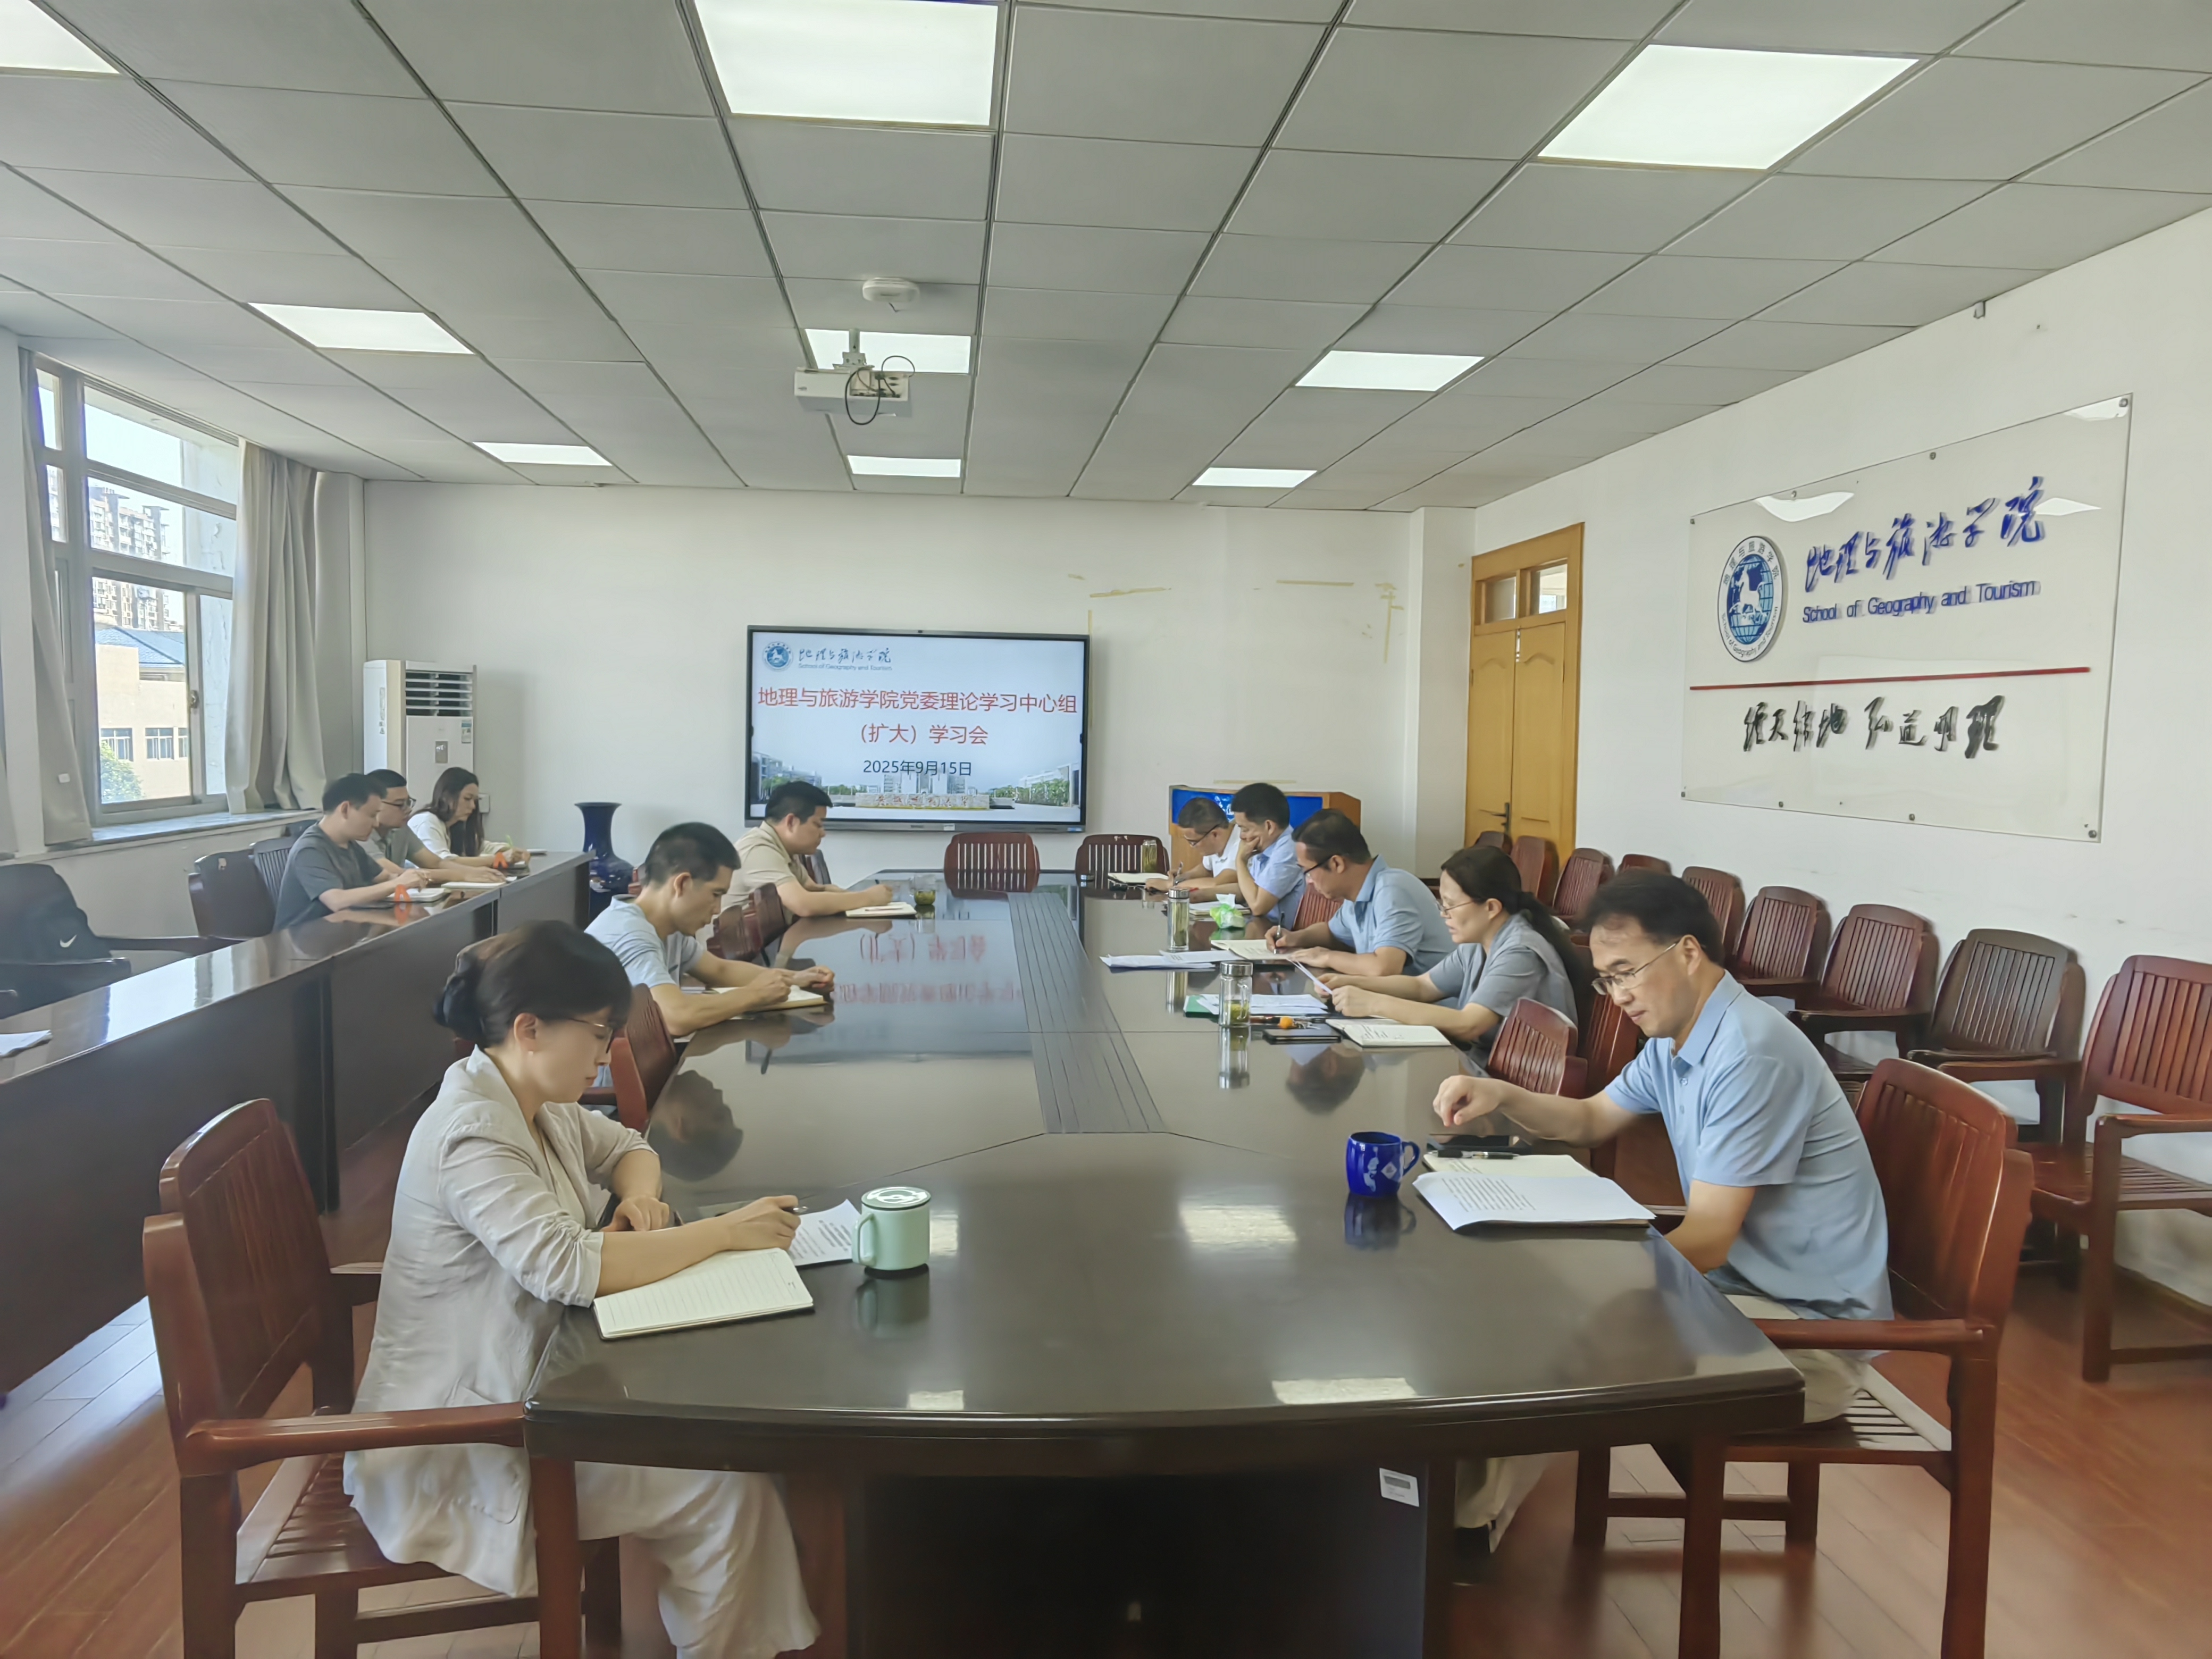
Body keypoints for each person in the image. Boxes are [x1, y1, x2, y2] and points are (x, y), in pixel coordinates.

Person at [345, 922, 817, 1659]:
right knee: (724, 1482)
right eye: (599, 1033)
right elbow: (567, 1267)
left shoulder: (534, 1098)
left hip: (546, 1387)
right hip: (463, 1439)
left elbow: (629, 1146)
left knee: (726, 1450)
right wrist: (726, 1233)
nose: (606, 1052)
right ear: (529, 1029)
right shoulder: (473, 1131)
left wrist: (641, 1201)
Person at [1432, 872, 1891, 1424]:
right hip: (1734, 1294)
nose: (1619, 995)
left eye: (1627, 972)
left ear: (1688, 953)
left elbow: (1709, 1238)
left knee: (1559, 1343)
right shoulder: (1676, 1038)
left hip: (1806, 1342)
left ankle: (1469, 1478)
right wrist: (1502, 1094)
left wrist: (1588, 1282)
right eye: (1606, 980)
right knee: (1536, 1324)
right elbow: (1590, 1119)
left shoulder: (1750, 1054)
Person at [1315, 844, 1582, 1069]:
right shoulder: (1478, 942)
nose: (1444, 914)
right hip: (1487, 1070)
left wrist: (1373, 1004)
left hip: (1524, 1082)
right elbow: (1423, 986)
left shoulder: (1520, 952)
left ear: (1491, 907)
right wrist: (1351, 983)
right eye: (1442, 904)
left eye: (1451, 905)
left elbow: (1469, 1024)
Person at [586, 823, 834, 1037]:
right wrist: (754, 995)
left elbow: (719, 970)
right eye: (715, 895)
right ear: (682, 884)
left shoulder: (667, 926)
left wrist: (793, 979)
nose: (717, 909)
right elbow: (675, 1018)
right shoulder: (630, 934)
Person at [1264, 809, 1453, 977]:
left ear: (1337, 864)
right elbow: (1332, 933)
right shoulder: (1358, 893)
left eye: (1308, 871)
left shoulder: (1392, 891)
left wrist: (1326, 957)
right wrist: (1294, 938)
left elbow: (1385, 967)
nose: (1309, 881)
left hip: (1436, 1003)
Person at [273, 773, 426, 928]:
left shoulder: (350, 845)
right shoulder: (310, 850)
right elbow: (337, 901)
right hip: (303, 937)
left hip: (342, 930)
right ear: (345, 809)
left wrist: (408, 878)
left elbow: (384, 877)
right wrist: (398, 883)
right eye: (372, 815)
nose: (376, 824)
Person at [728, 781, 895, 916]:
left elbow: (810, 889)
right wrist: (868, 898)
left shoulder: (785, 849)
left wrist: (830, 890)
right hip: (739, 947)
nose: (823, 833)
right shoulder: (759, 850)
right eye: (817, 824)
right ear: (791, 822)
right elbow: (803, 904)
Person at [363, 769, 488, 885]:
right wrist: (462, 875)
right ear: (375, 804)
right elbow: (398, 874)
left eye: (408, 802)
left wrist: (474, 873)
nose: (408, 809)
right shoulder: (361, 835)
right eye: (400, 804)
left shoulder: (401, 829)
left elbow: (436, 863)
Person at [1222, 782, 1305, 929]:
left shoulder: (1289, 850)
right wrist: (1199, 896)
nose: (1242, 837)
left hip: (1284, 936)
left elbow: (1258, 906)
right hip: (1264, 930)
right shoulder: (1266, 845)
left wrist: (1240, 861)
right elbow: (1248, 890)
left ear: (1269, 827)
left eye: (1245, 829)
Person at [409, 767, 505, 866]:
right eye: (467, 799)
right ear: (446, 797)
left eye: (475, 801)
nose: (473, 806)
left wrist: (507, 850)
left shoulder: (455, 825)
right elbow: (442, 862)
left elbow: (479, 845)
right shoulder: (427, 822)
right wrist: (496, 859)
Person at [1144, 796, 1237, 896]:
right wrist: (1182, 878)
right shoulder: (1215, 842)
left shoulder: (1241, 843)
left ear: (1214, 834)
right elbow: (1205, 870)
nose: (1191, 847)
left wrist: (1172, 885)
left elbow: (1218, 883)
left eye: (1194, 842)